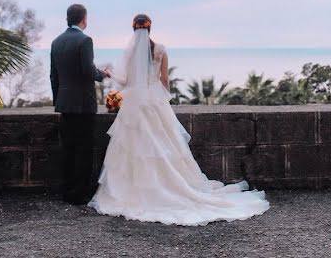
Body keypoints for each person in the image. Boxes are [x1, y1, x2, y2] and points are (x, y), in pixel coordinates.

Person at [88, 14, 269, 225]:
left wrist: (110, 74)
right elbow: (164, 79)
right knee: (164, 142)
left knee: (132, 145)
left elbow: (125, 80)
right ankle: (171, 185)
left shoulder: (130, 51)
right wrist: (161, 100)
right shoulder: (161, 49)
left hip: (134, 102)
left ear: (133, 30)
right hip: (154, 99)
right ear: (150, 28)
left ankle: (134, 190)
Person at [50, 3, 111, 204]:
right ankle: (80, 193)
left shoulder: (56, 42)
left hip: (65, 103)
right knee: (84, 148)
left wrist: (58, 99)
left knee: (68, 148)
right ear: (84, 19)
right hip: (84, 104)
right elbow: (87, 70)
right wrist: (102, 74)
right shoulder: (85, 40)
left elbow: (54, 76)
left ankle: (66, 191)